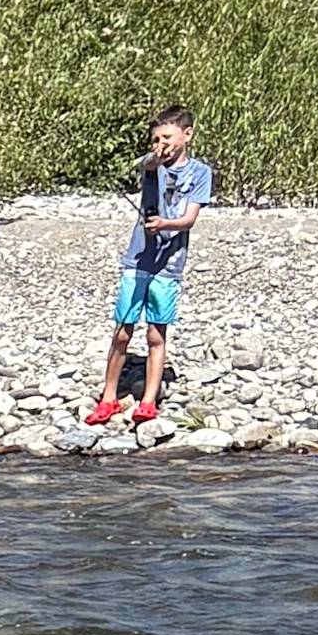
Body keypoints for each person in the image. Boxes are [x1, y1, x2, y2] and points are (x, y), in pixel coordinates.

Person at [88, 110, 212, 425]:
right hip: (137, 260)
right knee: (122, 332)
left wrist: (165, 224)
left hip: (169, 265)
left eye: (167, 138)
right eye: (156, 138)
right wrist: (155, 158)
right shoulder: (152, 166)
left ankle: (148, 400)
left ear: (187, 135)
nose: (161, 144)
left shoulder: (200, 173)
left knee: (156, 334)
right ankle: (108, 397)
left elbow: (189, 219)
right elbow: (147, 163)